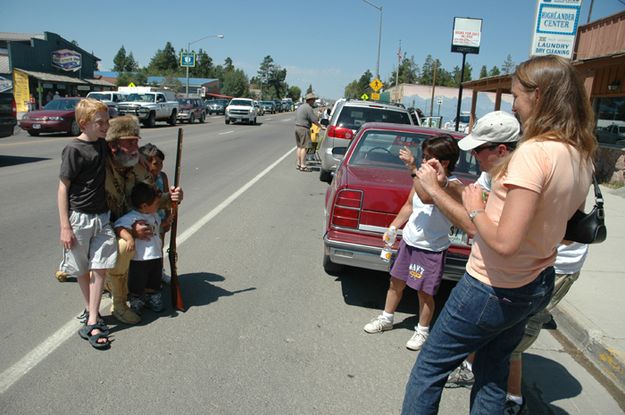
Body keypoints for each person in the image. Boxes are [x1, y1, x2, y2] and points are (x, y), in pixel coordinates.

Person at [401, 55, 597, 414]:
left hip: (492, 285)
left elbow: (503, 240)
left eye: (516, 96)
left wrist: (467, 203)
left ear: (538, 96)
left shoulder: (533, 154)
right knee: (492, 371)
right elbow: (554, 228)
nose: (515, 105)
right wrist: (470, 198)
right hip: (536, 280)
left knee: (429, 368)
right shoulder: (579, 153)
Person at [362, 134, 461, 351]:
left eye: (428, 158)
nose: (424, 161)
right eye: (423, 157)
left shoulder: (452, 185)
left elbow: (427, 197)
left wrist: (413, 168)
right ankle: (386, 319)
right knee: (395, 282)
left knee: (424, 292)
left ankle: (422, 331)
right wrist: (394, 227)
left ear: (443, 162)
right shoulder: (421, 179)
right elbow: (410, 204)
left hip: (431, 249)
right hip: (409, 242)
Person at [104, 115, 184, 324]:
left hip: (133, 228)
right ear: (113, 145)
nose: (135, 148)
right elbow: (98, 222)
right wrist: (130, 232)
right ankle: (119, 303)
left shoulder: (139, 166)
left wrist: (171, 198)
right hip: (106, 231)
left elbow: (152, 199)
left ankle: (142, 289)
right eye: (130, 142)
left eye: (137, 142)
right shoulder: (98, 169)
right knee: (123, 247)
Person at [57, 98, 116, 349]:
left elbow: (124, 155)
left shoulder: (102, 145)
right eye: (100, 122)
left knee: (100, 266)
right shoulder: (74, 150)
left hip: (102, 217)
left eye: (107, 121)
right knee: (81, 269)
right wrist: (65, 226)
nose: (105, 126)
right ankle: (90, 310)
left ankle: (92, 319)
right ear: (84, 124)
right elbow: (63, 188)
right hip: (79, 218)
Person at [114, 182, 165, 314]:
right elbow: (119, 227)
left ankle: (153, 298)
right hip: (139, 258)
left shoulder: (154, 215)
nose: (158, 206)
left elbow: (157, 229)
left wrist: (166, 221)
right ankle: (136, 300)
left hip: (155, 255)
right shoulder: (132, 217)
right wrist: (129, 238)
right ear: (144, 206)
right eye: (156, 204)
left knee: (154, 280)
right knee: (137, 282)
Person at [139, 143, 172, 283]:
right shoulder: (140, 178)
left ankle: (159, 273)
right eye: (155, 163)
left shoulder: (162, 177)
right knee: (144, 252)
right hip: (145, 222)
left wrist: (169, 217)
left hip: (161, 220)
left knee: (159, 248)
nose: (158, 166)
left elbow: (166, 198)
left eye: (160, 163)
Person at [294, 92, 323, 172]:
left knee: (299, 147)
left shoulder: (301, 106)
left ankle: (298, 164)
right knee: (304, 148)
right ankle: (303, 165)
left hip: (297, 127)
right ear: (310, 100)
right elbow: (314, 120)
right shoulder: (308, 108)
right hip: (304, 128)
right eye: (313, 100)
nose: (314, 101)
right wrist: (321, 126)